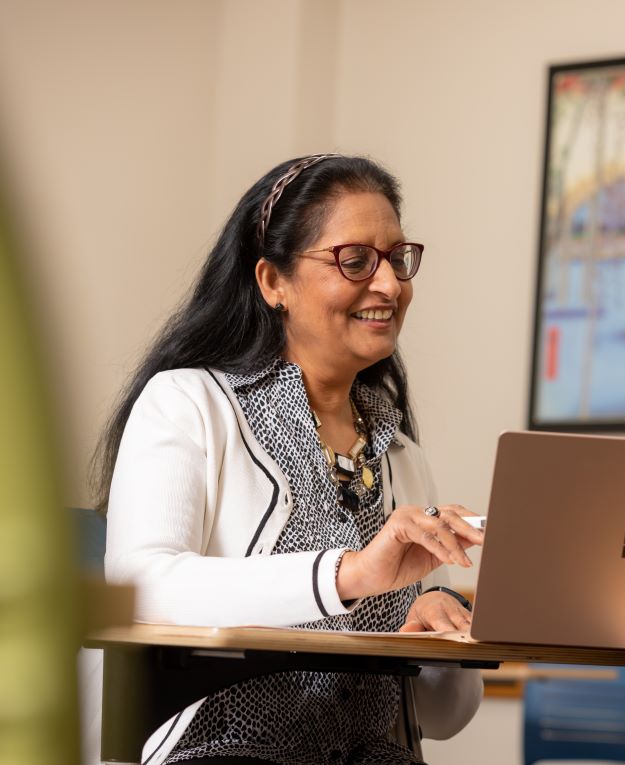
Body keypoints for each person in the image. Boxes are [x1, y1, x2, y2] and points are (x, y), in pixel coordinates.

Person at [94, 154, 484, 765]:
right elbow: (141, 587)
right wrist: (347, 574)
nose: (389, 285)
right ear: (273, 282)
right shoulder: (187, 402)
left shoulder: (400, 451)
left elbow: (439, 720)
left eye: (397, 258)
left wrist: (443, 634)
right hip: (221, 751)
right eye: (354, 260)